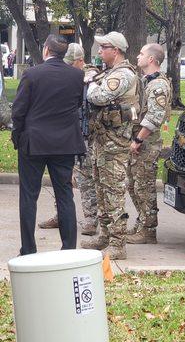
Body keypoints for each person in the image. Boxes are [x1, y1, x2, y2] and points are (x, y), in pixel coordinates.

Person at [11, 34, 86, 255]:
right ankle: (69, 248)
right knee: (65, 195)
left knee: (28, 196)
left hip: (34, 142)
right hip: (64, 143)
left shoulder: (32, 74)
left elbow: (19, 110)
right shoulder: (76, 75)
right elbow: (77, 104)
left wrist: (17, 134)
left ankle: (28, 249)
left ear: (46, 50)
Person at [81, 31, 140, 260]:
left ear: (115, 50)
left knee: (114, 193)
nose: (99, 51)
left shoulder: (123, 74)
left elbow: (98, 97)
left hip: (114, 145)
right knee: (102, 191)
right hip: (102, 142)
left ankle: (118, 244)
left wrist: (90, 83)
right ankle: (105, 236)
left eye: (103, 47)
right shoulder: (110, 72)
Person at [39, 43, 98, 236]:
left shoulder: (92, 76)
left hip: (86, 136)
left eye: (71, 64)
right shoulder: (67, 74)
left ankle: (90, 219)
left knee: (86, 178)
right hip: (66, 134)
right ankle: (61, 214)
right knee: (62, 178)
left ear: (80, 61)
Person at [127, 43, 172, 244]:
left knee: (144, 187)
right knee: (134, 185)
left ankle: (148, 230)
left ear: (151, 59)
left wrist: (138, 140)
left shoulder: (158, 85)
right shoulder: (147, 81)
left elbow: (155, 117)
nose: (138, 56)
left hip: (146, 144)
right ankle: (142, 221)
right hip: (139, 142)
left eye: (141, 53)